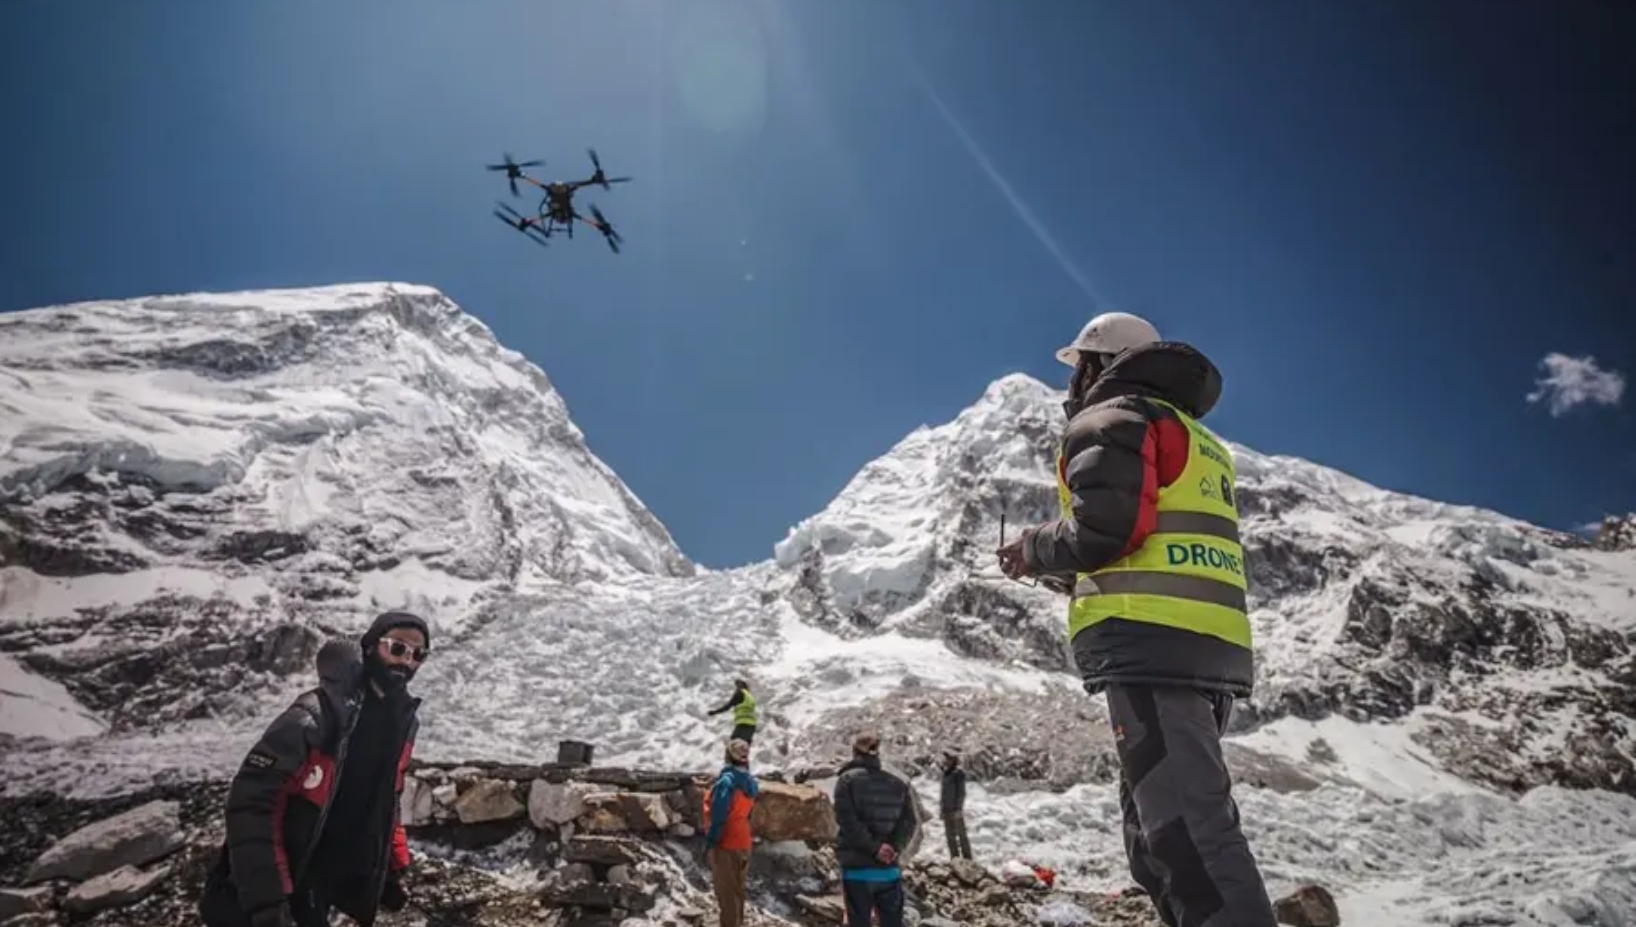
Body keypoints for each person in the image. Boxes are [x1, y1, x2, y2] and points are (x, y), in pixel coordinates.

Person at [995, 312, 1278, 927]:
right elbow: (1151, 539)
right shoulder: (1198, 439)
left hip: (1153, 643)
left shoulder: (1112, 418)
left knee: (1189, 835)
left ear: (1099, 364)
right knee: (1158, 838)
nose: (1072, 386)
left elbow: (1108, 531)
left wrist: (1034, 546)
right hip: (1205, 644)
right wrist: (1058, 568)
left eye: (1079, 368)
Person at [199, 612, 431, 927]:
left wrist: (391, 866)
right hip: (285, 880)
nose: (406, 662)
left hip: (323, 880)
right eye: (398, 648)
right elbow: (252, 804)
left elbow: (386, 798)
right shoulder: (314, 717)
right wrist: (268, 899)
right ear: (369, 648)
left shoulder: (401, 723)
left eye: (418, 655)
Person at [832, 732, 918, 927]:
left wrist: (874, 848)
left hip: (857, 870)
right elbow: (909, 822)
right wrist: (893, 848)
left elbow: (847, 822)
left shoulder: (846, 780)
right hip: (889, 871)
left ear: (854, 752)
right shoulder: (898, 783)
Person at [701, 738, 759, 927]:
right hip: (744, 840)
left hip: (727, 841)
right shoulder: (750, 782)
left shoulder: (726, 782)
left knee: (726, 894)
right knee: (738, 891)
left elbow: (719, 815)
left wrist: (711, 842)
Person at [939, 752, 971, 860]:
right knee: (950, 836)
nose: (946, 760)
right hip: (947, 809)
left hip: (955, 809)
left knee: (961, 835)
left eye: (948, 759)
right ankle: (954, 858)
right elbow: (943, 793)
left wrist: (958, 808)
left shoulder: (958, 773)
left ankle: (967, 858)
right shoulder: (946, 773)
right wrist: (942, 809)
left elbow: (961, 792)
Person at [706, 679, 758, 745]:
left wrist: (715, 712)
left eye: (737, 686)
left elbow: (727, 706)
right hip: (752, 726)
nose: (736, 688)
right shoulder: (750, 696)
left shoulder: (739, 693)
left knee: (733, 747)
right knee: (743, 750)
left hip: (743, 724)